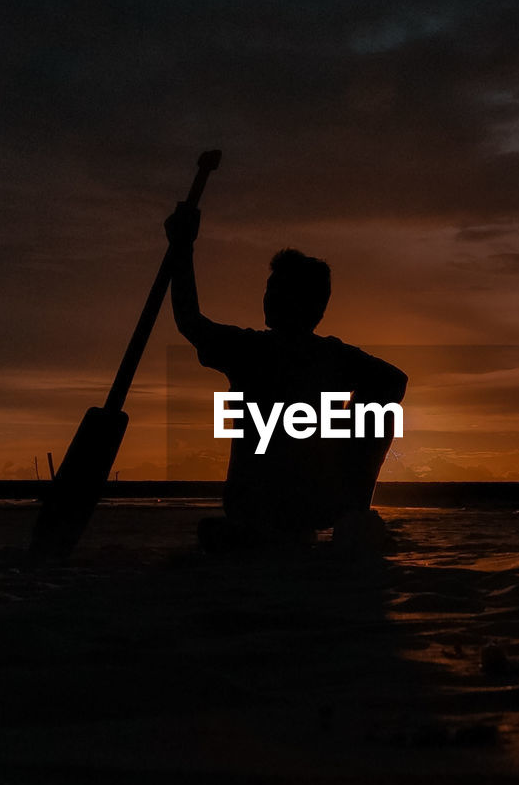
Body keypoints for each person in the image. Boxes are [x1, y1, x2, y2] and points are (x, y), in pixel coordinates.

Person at [165, 204, 407, 549]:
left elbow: (189, 318)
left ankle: (349, 507)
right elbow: (394, 381)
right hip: (303, 504)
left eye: (277, 289)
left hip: (263, 504)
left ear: (304, 303)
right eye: (269, 288)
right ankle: (352, 508)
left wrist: (182, 247)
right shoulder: (330, 356)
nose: (268, 297)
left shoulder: (252, 350)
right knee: (381, 407)